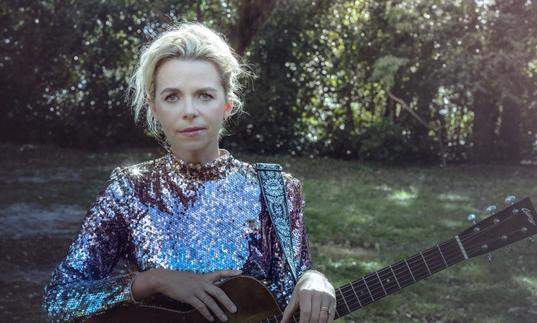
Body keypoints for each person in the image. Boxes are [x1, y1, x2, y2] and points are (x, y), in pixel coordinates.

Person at [42, 22, 336, 323]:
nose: (189, 111)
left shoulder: (276, 189)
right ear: (153, 107)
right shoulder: (129, 190)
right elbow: (59, 299)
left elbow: (293, 294)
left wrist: (313, 279)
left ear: (227, 104)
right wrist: (153, 280)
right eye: (172, 97)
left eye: (204, 95)